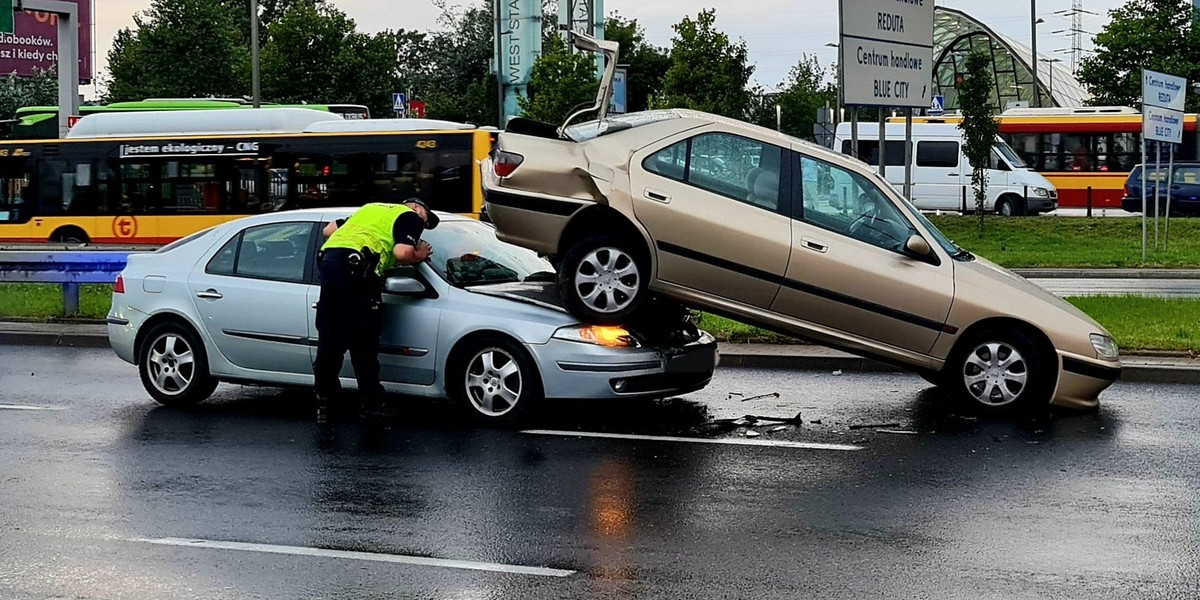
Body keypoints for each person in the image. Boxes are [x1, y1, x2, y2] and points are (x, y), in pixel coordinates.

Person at [312, 198, 439, 423]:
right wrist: (418, 254)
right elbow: (402, 253)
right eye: (425, 221)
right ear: (419, 209)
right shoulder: (410, 217)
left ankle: (325, 403)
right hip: (356, 270)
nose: (421, 227)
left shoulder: (370, 209)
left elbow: (328, 230)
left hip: (329, 264)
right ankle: (372, 404)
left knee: (330, 339)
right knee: (363, 340)